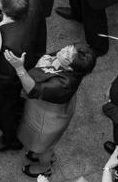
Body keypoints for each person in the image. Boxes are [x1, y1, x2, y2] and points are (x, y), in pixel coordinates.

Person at [6, 43, 97, 177]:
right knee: (42, 144)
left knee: (44, 146)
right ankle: (40, 152)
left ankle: (45, 166)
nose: (63, 50)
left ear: (70, 67)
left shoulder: (63, 84)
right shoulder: (75, 65)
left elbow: (32, 89)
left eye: (67, 54)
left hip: (47, 118)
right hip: (49, 107)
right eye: (68, 47)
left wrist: (19, 68)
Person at [0, 0, 39, 152]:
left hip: (9, 83)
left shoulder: (9, 43)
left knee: (4, 111)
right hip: (32, 52)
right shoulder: (32, 2)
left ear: (7, 10)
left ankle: (10, 140)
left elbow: (5, 77)